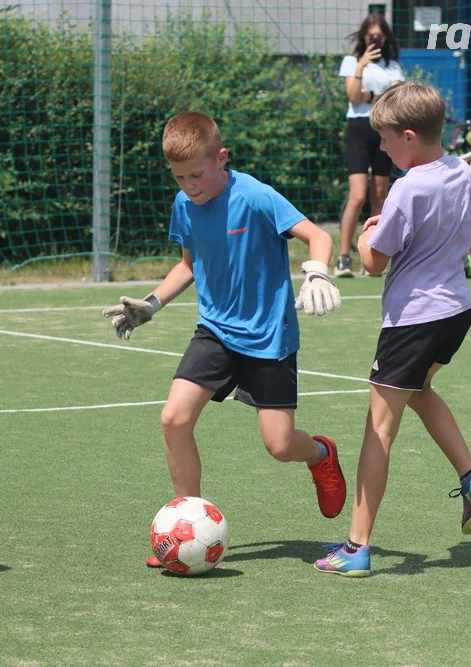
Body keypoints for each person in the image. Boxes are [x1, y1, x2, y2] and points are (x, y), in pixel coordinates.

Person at [101, 111, 347, 568]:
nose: (190, 185)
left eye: (196, 173)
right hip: (215, 331)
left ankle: (319, 452)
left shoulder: (254, 196)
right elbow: (189, 264)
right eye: (179, 177)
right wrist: (150, 306)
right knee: (174, 418)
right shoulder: (183, 204)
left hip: (270, 336)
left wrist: (317, 270)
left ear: (221, 157)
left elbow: (317, 235)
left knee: (278, 446)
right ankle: (183, 523)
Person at [313, 82, 471, 577]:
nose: (382, 148)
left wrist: (372, 231)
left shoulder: (408, 185)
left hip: (414, 317)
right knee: (421, 391)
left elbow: (373, 262)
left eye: (387, 138)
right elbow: (461, 224)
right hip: (456, 310)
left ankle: (356, 547)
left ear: (410, 137)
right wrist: (391, 222)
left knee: (378, 428)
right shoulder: (459, 168)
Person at [335, 13, 405, 278]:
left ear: (385, 37)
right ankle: (343, 256)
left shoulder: (392, 65)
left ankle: (374, 255)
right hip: (358, 129)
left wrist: (372, 95)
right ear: (363, 36)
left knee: (380, 194)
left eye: (379, 36)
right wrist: (362, 66)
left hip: (383, 130)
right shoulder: (352, 62)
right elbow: (354, 97)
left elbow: (394, 98)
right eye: (370, 35)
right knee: (358, 195)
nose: (375, 40)